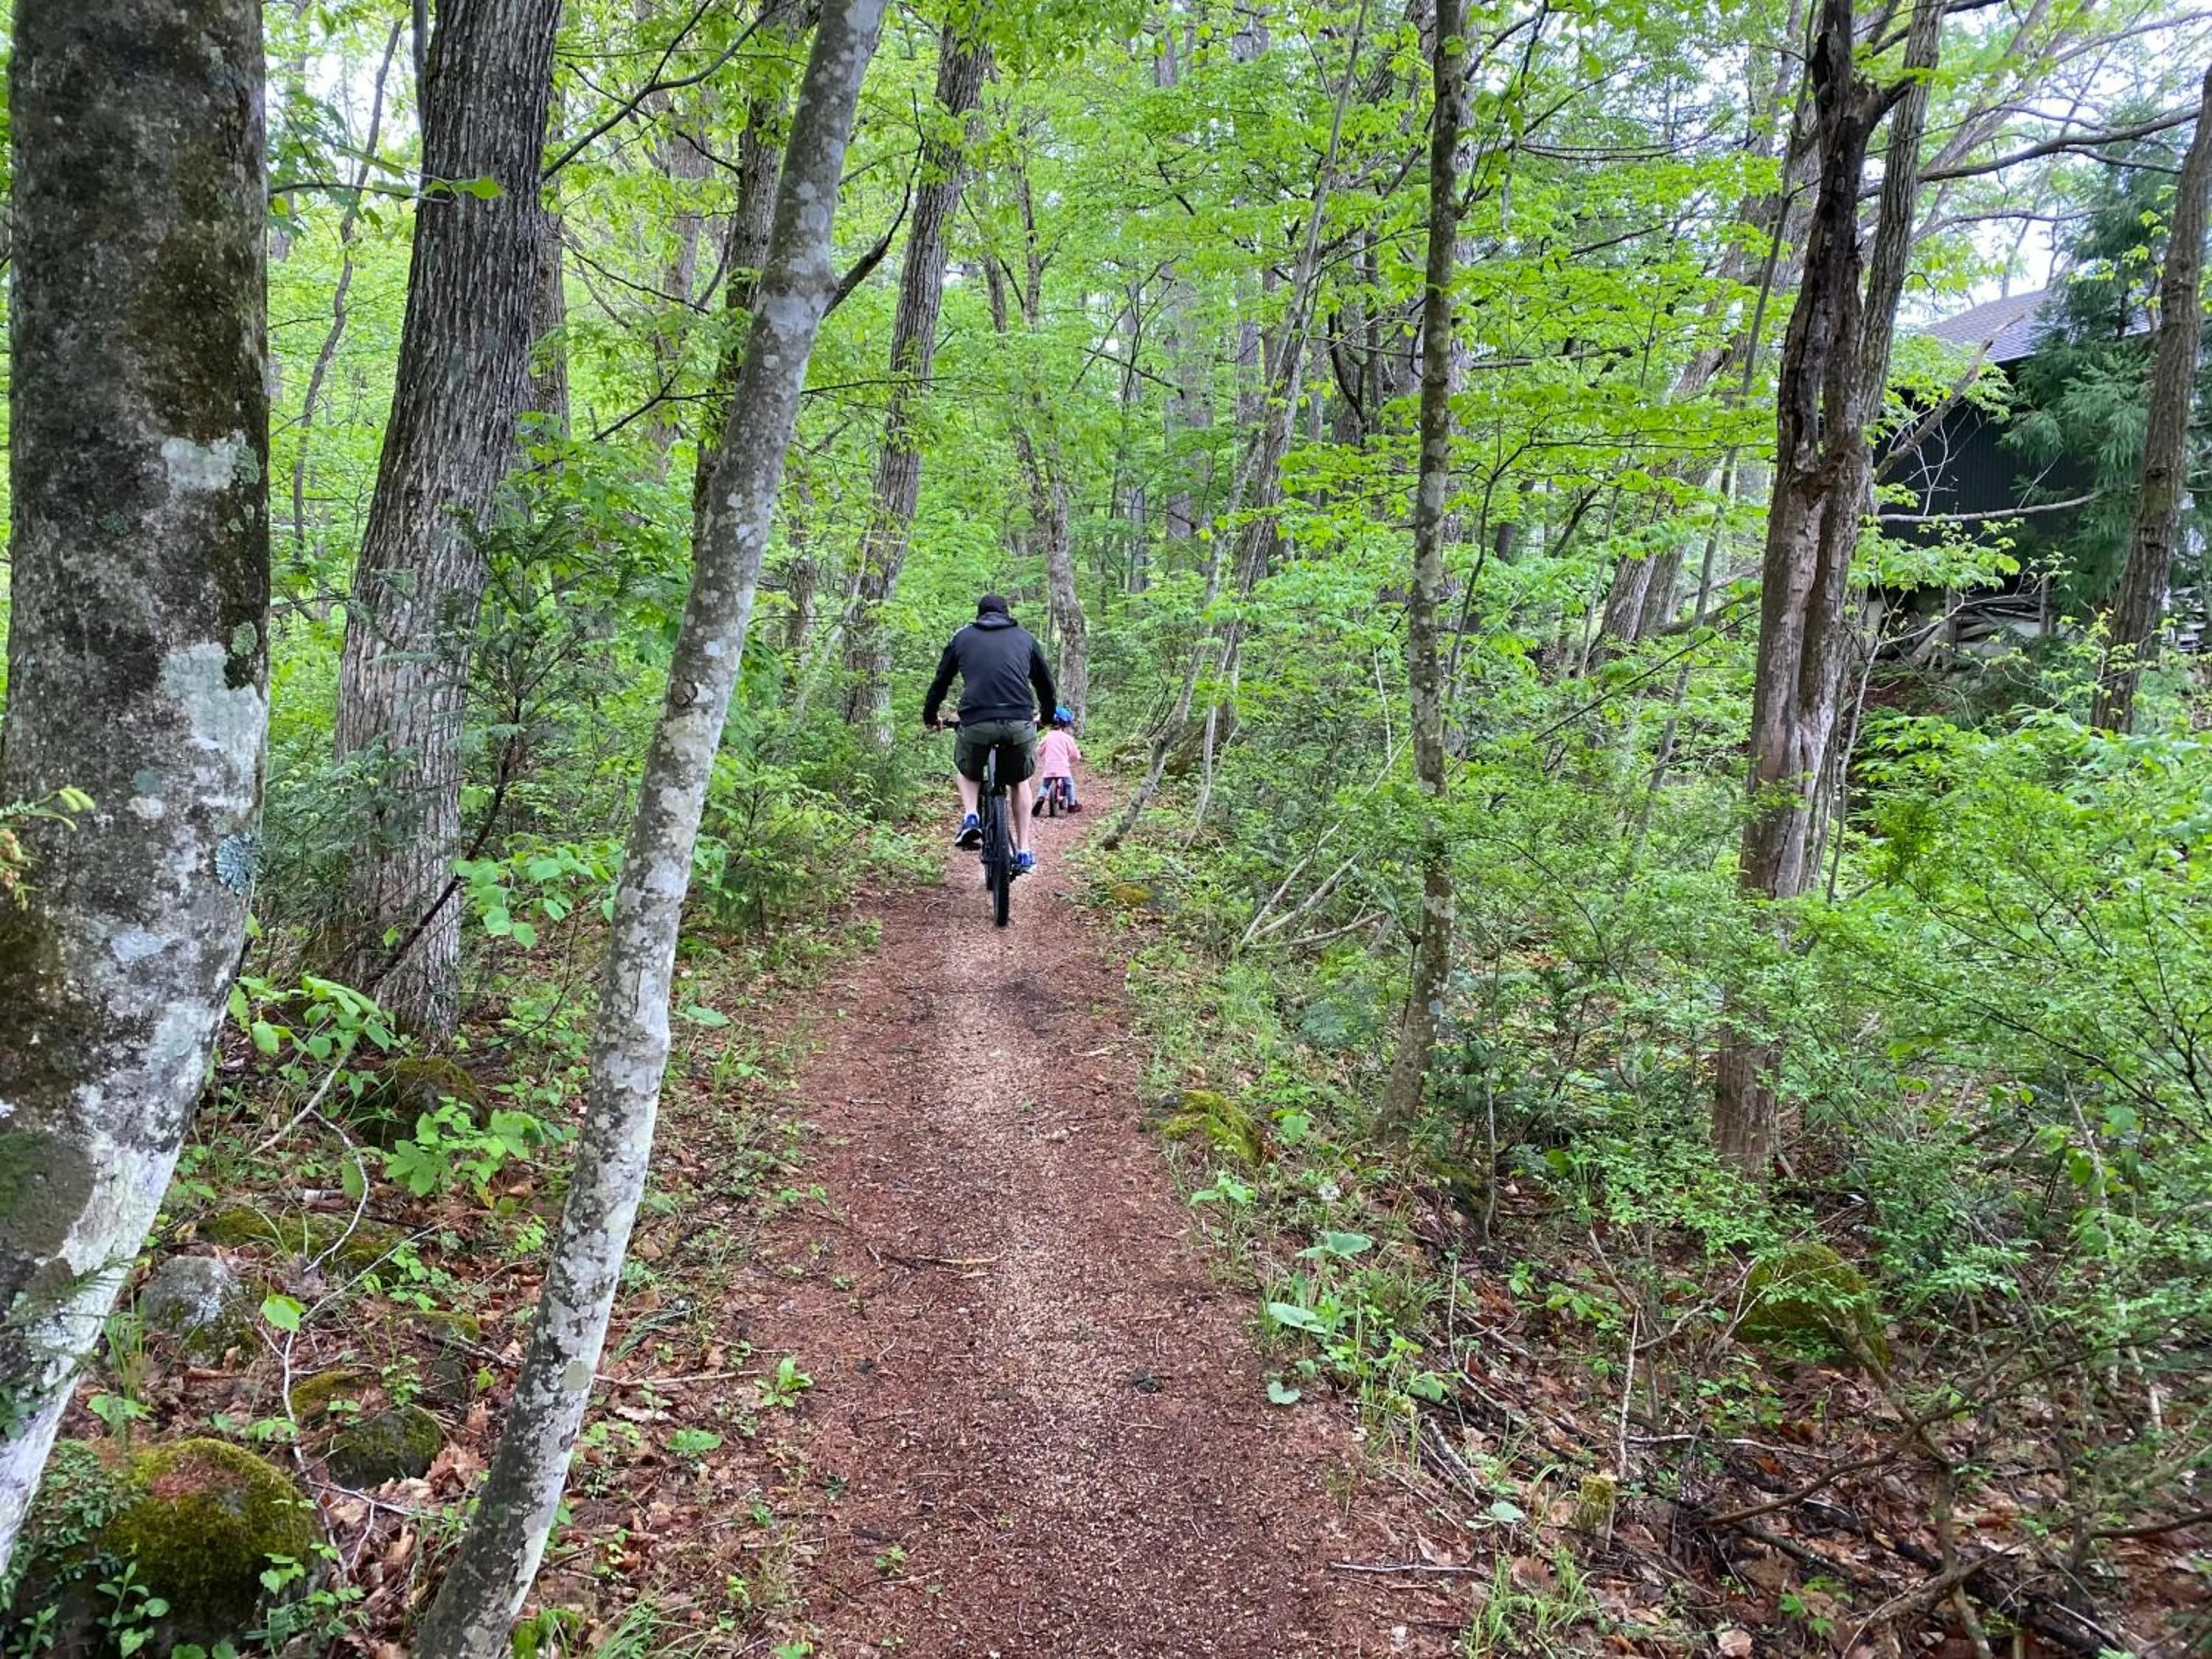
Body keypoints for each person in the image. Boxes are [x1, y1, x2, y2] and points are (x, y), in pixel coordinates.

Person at [921, 593, 1057, 873]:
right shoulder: (1025, 638)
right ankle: (1023, 850)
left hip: (976, 721)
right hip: (1019, 721)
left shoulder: (962, 637)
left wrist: (931, 716)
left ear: (979, 614)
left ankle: (971, 816)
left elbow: (941, 681)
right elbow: (1045, 683)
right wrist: (1045, 716)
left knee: (967, 770)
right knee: (1020, 781)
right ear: (1007, 613)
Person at [1035, 706, 1082, 814]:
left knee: (1045, 785)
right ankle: (1072, 805)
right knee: (1069, 785)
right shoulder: (1067, 738)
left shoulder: (1047, 737)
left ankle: (1041, 797)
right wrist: (1078, 758)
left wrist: (1041, 756)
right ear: (1065, 725)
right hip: (1063, 768)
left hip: (1049, 768)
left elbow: (1038, 751)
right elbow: (1075, 754)